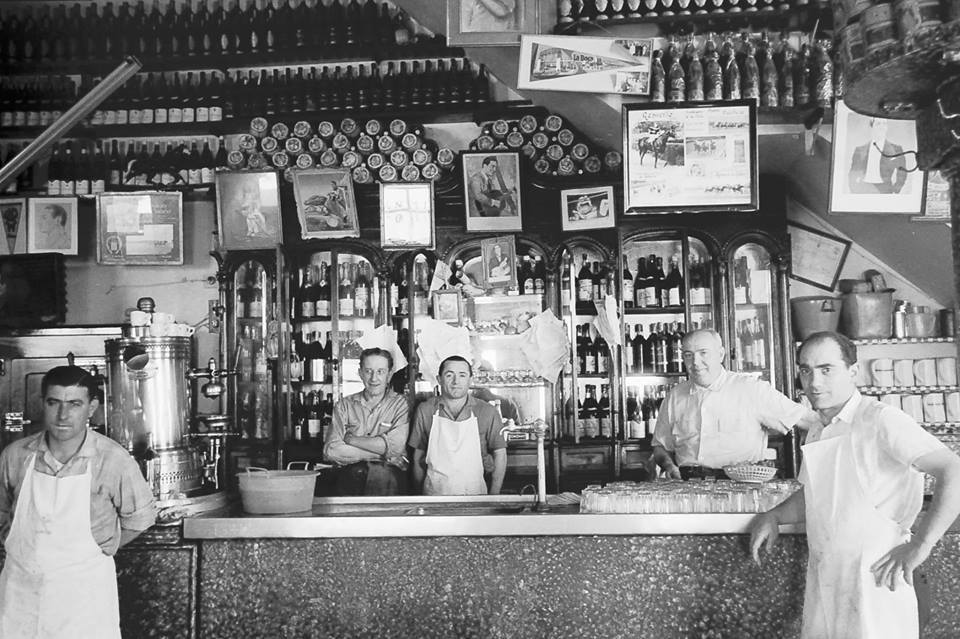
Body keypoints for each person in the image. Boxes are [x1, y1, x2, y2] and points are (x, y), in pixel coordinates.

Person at [749, 331, 960, 639]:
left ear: (853, 371)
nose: (814, 382)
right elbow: (817, 495)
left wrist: (921, 544)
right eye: (806, 370)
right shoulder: (819, 430)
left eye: (826, 369)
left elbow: (953, 469)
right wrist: (775, 515)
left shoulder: (881, 419)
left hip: (878, 577)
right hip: (828, 577)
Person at [0, 365, 156, 638]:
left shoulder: (112, 459)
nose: (63, 414)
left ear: (92, 406)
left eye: (74, 404)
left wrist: (94, 551)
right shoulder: (15, 456)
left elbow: (140, 519)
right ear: (43, 404)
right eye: (54, 403)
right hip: (21, 596)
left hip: (84, 600)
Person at [651, 328, 818, 479]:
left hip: (740, 486)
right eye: (688, 354)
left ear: (721, 354)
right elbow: (660, 446)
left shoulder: (751, 389)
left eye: (703, 353)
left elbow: (807, 421)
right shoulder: (675, 396)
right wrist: (668, 466)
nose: (695, 362)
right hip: (688, 487)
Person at [409, 356, 507, 495]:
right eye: (449, 375)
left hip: (476, 495)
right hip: (434, 495)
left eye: (462, 375)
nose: (456, 381)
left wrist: (493, 497)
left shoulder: (487, 411)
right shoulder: (425, 410)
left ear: (470, 379)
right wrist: (422, 498)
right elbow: (417, 457)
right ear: (439, 379)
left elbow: (500, 455)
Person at [324, 348, 409, 496]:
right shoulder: (344, 405)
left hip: (388, 482)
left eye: (380, 372)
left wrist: (352, 440)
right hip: (348, 481)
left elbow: (395, 446)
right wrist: (381, 454)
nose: (374, 378)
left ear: (389, 375)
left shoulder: (400, 404)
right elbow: (331, 450)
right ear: (360, 373)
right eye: (368, 371)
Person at [847, 117, 908, 194]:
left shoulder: (896, 149)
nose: (882, 127)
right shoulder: (860, 150)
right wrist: (854, 189)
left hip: (885, 190)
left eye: (884, 124)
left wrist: (896, 189)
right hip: (864, 189)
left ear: (887, 127)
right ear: (872, 127)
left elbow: (902, 172)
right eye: (878, 124)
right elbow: (853, 172)